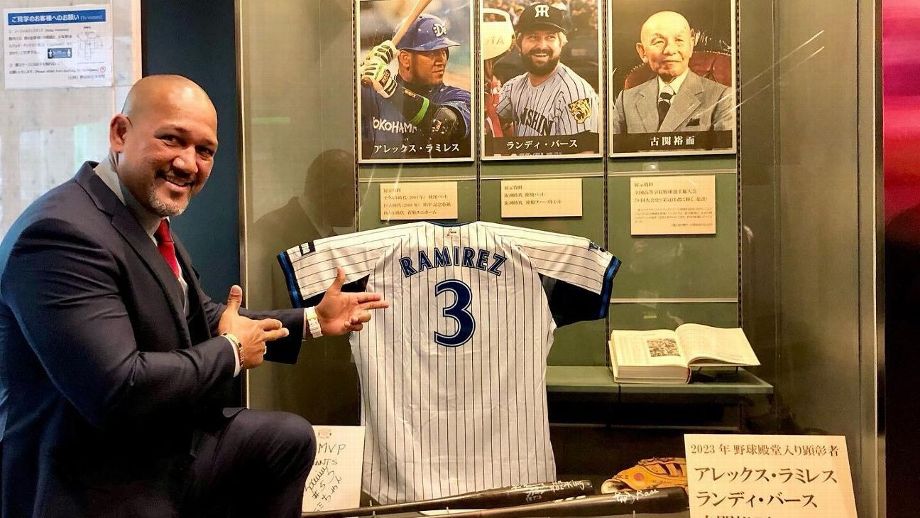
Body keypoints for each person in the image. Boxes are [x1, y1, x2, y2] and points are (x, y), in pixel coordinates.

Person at [0, 75, 388, 518]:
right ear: (120, 133)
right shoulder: (61, 235)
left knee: (285, 440)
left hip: (155, 449)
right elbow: (118, 390)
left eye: (205, 151)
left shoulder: (139, 218)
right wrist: (231, 353)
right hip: (92, 477)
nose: (188, 164)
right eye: (171, 140)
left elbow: (200, 314)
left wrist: (314, 319)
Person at [360, 13, 472, 159]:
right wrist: (361, 70)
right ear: (405, 59)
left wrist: (389, 88)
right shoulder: (373, 93)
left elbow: (445, 123)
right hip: (383, 180)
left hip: (434, 180)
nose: (441, 60)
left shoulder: (458, 97)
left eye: (444, 51)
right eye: (432, 53)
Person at [612, 10, 733, 134]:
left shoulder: (722, 97)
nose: (670, 50)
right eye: (659, 42)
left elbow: (724, 151)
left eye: (679, 40)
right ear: (642, 51)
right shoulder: (625, 100)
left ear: (691, 44)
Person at [495, 2, 599, 137]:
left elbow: (584, 155)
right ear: (520, 44)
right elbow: (493, 121)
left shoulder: (576, 94)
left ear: (561, 43)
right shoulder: (514, 87)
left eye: (550, 37)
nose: (542, 45)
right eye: (533, 37)